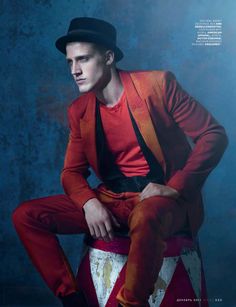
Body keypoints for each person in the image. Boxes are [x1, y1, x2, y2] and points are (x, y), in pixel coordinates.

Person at [12, 17, 228, 307]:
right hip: (112, 199)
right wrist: (90, 203)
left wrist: (175, 187)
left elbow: (213, 135)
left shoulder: (158, 86)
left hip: (160, 201)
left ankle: (130, 303)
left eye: (84, 59)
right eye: (69, 62)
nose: (74, 70)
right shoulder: (79, 110)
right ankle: (72, 299)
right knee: (26, 215)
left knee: (147, 216)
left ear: (109, 57)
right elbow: (71, 173)